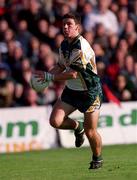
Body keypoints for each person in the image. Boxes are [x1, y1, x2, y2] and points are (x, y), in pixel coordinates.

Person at [34, 12, 103, 169]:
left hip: (89, 93)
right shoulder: (64, 44)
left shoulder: (81, 48)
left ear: (77, 27)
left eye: (69, 24)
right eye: (63, 24)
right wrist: (46, 78)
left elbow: (72, 74)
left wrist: (49, 78)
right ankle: (77, 128)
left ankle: (97, 159)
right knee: (55, 121)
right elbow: (60, 66)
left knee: (91, 131)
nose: (65, 27)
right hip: (72, 91)